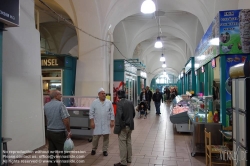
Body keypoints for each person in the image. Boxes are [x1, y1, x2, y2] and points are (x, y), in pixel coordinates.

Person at [44, 90, 71, 166]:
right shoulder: (60, 105)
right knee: (64, 153)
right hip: (59, 133)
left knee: (51, 152)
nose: (61, 96)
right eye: (60, 94)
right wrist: (69, 131)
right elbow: (65, 119)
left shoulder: (46, 105)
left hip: (49, 132)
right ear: (56, 95)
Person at [89, 88, 114, 156]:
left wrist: (112, 121)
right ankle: (94, 149)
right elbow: (91, 113)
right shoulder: (94, 102)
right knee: (96, 137)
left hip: (106, 123)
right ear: (98, 94)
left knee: (106, 137)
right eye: (102, 93)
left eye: (104, 93)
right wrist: (92, 122)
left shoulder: (109, 102)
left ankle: (105, 150)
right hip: (97, 123)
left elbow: (112, 112)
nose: (104, 95)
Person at [114, 90, 135, 166]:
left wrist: (122, 125)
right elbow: (133, 114)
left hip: (123, 127)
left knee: (122, 143)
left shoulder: (119, 103)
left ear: (119, 96)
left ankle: (123, 162)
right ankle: (129, 159)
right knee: (128, 142)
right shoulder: (130, 102)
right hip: (130, 126)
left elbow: (119, 116)